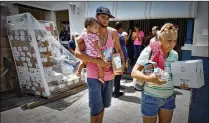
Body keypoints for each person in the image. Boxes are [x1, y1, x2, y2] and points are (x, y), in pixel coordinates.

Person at [74, 6, 125, 123]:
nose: (106, 20)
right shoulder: (87, 32)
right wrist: (98, 61)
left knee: (104, 105)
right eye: (103, 17)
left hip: (110, 74)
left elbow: (119, 50)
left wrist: (121, 64)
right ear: (97, 17)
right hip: (93, 75)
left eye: (108, 18)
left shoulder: (113, 32)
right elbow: (78, 53)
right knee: (95, 107)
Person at [131, 23, 189, 123]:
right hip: (150, 98)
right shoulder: (149, 51)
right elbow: (134, 73)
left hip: (169, 98)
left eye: (175, 41)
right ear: (161, 39)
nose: (172, 44)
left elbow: (172, 76)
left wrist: (182, 82)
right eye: (169, 41)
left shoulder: (174, 54)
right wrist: (150, 79)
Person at [76, 17, 105, 83]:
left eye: (98, 28)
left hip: (87, 53)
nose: (97, 29)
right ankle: (101, 77)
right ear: (89, 28)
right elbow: (96, 46)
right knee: (100, 65)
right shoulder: (94, 36)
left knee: (83, 62)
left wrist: (78, 38)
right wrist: (101, 54)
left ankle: (78, 72)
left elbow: (78, 40)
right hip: (94, 54)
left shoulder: (84, 34)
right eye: (96, 27)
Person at [112, 22, 129, 98]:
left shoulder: (117, 35)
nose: (123, 29)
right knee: (118, 75)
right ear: (118, 28)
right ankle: (116, 92)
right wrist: (123, 57)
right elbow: (118, 47)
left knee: (117, 75)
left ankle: (116, 90)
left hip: (118, 57)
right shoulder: (117, 35)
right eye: (122, 28)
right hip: (117, 57)